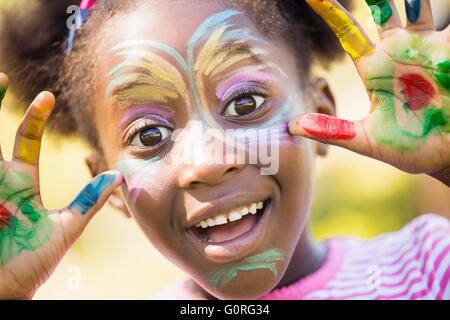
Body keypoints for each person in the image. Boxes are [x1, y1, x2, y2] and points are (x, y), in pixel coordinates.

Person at [0, 0, 448, 300]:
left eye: (245, 103)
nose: (210, 162)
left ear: (322, 109)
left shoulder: (428, 268)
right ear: (108, 186)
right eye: (150, 135)